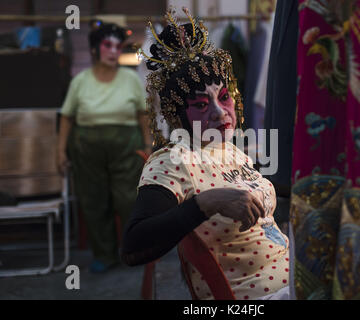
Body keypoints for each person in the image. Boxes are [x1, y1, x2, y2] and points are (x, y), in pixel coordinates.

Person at [121, 7, 290, 300]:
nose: (218, 112)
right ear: (177, 115)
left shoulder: (228, 147)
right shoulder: (173, 160)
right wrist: (205, 203)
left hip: (291, 279)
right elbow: (134, 247)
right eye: (200, 105)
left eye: (223, 98)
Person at [58, 21, 151, 273]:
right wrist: (60, 152)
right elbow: (67, 117)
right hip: (86, 145)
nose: (113, 51)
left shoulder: (130, 79)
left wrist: (148, 145)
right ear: (94, 49)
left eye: (117, 46)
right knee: (94, 200)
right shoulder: (81, 81)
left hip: (126, 144)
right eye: (107, 45)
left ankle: (135, 250)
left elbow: (143, 114)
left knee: (129, 199)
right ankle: (104, 255)